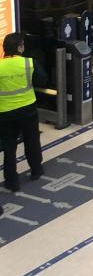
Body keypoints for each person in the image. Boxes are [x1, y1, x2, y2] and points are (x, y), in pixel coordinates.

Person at [0, 33, 45, 192]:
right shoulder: (29, 63)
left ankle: (12, 181)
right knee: (32, 140)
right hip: (28, 109)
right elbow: (42, 80)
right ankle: (36, 170)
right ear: (19, 47)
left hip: (5, 113)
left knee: (9, 148)